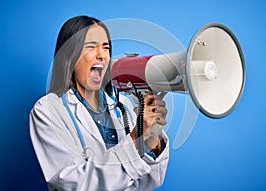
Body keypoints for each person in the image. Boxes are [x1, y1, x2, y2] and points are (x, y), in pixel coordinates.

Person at [29, 15, 169, 191]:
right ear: (69, 56)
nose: (102, 55)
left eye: (106, 47)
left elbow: (149, 181)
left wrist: (151, 136)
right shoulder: (48, 110)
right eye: (90, 47)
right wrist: (134, 139)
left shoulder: (123, 106)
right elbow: (74, 183)